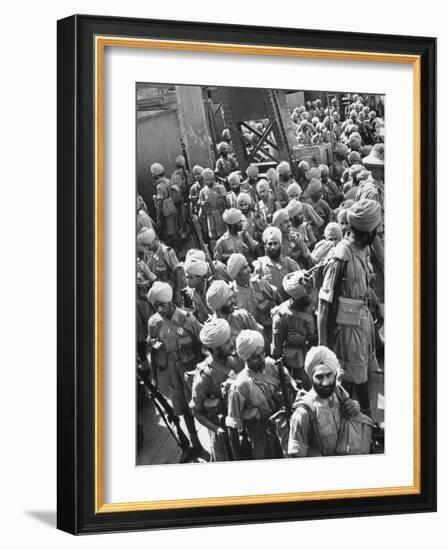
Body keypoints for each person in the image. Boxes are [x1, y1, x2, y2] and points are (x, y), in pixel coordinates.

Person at [317, 199, 381, 418]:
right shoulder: (341, 256)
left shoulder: (362, 250)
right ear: (367, 231)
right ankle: (361, 421)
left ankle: (364, 420)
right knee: (353, 379)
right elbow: (324, 304)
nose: (377, 234)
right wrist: (322, 349)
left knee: (362, 376)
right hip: (348, 330)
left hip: (362, 323)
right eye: (376, 230)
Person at [147, 282, 204, 461]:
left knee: (199, 405)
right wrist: (154, 378)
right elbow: (153, 349)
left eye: (161, 305)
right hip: (172, 369)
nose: (159, 309)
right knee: (182, 408)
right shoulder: (154, 322)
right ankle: (195, 444)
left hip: (191, 367)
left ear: (170, 302)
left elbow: (202, 342)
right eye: (155, 306)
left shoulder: (187, 319)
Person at [225, 330, 296, 459]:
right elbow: (233, 427)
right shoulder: (241, 386)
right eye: (256, 357)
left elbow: (294, 389)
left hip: (285, 429)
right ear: (246, 358)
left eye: (262, 353)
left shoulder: (273, 365)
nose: (262, 358)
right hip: (262, 441)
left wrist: (289, 383)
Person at [288, 346, 365, 457]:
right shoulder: (303, 414)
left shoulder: (339, 394)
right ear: (311, 378)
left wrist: (355, 408)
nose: (325, 383)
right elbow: (297, 455)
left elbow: (354, 417)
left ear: (334, 374)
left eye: (329, 375)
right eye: (319, 377)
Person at [190, 318, 238, 461]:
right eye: (227, 342)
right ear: (216, 349)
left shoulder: (235, 359)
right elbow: (196, 412)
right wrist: (216, 429)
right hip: (222, 435)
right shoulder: (203, 378)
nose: (232, 343)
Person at [227, 252, 281, 349]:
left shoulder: (259, 282)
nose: (248, 270)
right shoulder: (231, 295)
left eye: (247, 266)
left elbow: (277, 299)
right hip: (250, 342)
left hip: (269, 333)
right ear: (236, 275)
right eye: (244, 268)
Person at [271, 271, 317, 385]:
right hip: (298, 370)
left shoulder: (315, 306)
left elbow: (327, 335)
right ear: (293, 297)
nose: (309, 299)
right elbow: (276, 353)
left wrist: (305, 340)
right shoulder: (281, 318)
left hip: (318, 361)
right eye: (304, 297)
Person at [137, 227, 183, 306]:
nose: (145, 248)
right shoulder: (148, 253)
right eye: (144, 246)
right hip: (158, 293)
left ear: (152, 241)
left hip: (171, 291)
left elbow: (178, 272)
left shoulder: (166, 252)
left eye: (146, 245)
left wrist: (178, 293)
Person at [253, 226, 300, 301]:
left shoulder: (290, 263)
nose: (273, 247)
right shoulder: (260, 266)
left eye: (275, 243)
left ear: (280, 245)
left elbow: (299, 285)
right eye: (270, 244)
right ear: (265, 246)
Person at [198, 168, 227, 250]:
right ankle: (215, 251)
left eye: (210, 179)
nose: (208, 181)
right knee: (212, 236)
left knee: (222, 234)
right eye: (206, 180)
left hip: (219, 213)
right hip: (210, 215)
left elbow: (225, 200)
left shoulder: (219, 188)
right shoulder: (203, 191)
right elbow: (201, 202)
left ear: (213, 178)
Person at [151, 162, 177, 247]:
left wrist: (158, 217)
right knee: (174, 229)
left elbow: (159, 202)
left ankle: (176, 250)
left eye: (153, 174)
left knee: (170, 232)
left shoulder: (159, 186)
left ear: (155, 175)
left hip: (166, 210)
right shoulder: (168, 181)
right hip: (172, 207)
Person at [182, 257, 212, 323]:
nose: (187, 281)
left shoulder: (210, 290)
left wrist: (200, 302)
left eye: (190, 278)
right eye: (186, 277)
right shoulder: (191, 290)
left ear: (200, 278)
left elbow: (214, 318)